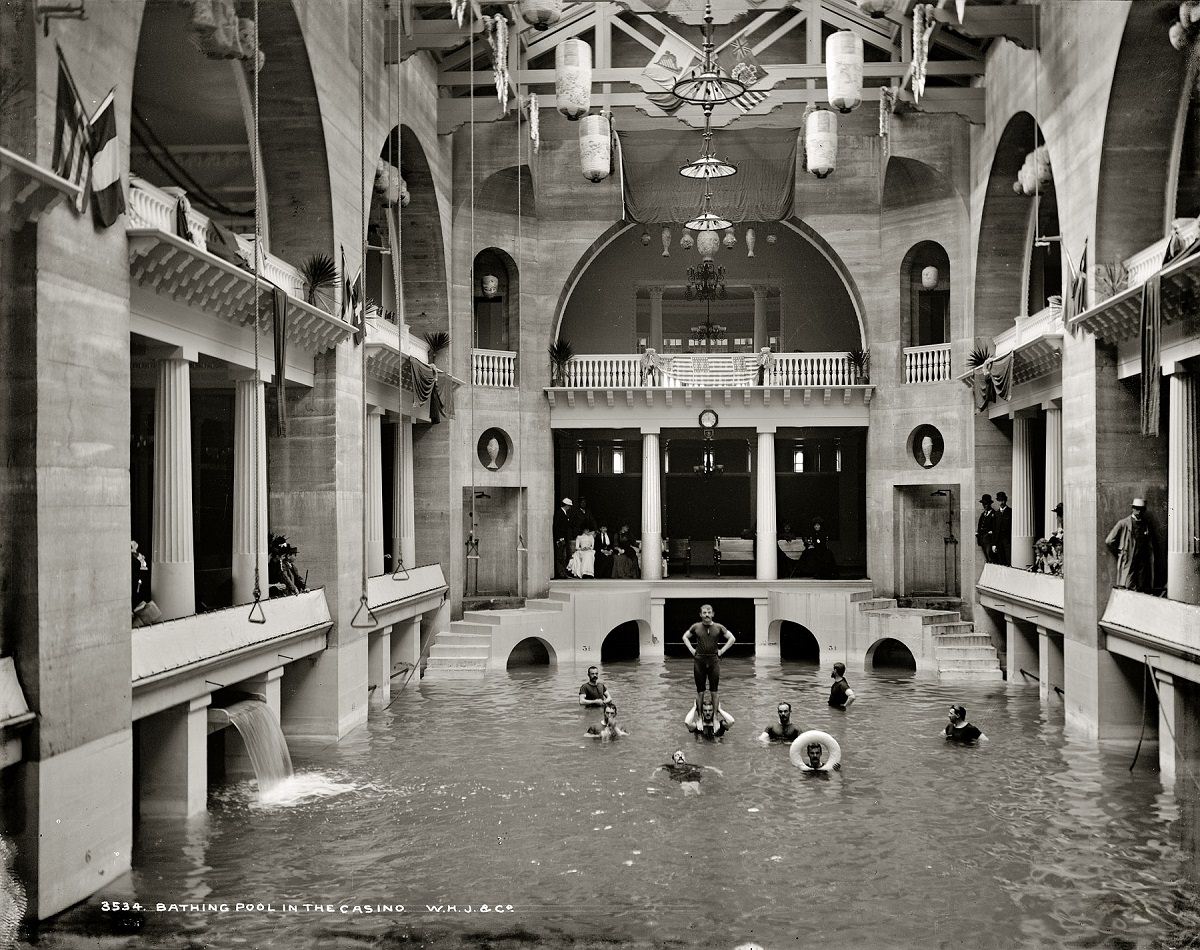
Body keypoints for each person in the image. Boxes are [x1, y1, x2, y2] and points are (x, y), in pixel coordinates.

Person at [682, 603, 736, 713]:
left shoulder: (718, 627)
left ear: (713, 614)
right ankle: (700, 717)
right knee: (700, 691)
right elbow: (685, 637)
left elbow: (732, 638)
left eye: (709, 612)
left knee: (714, 691)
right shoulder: (696, 626)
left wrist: (722, 651)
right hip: (699, 661)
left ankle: (715, 717)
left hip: (713, 661)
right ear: (700, 615)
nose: (707, 615)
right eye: (704, 613)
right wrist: (692, 650)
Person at [1105, 497, 1156, 593]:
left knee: (1141, 587)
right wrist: (1121, 551)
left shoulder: (1145, 524)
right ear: (1132, 508)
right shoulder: (1123, 523)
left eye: (1141, 509)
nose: (1138, 511)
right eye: (1136, 508)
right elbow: (1109, 540)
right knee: (1127, 586)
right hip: (1128, 559)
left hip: (1142, 561)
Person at [654, 750, 723, 796]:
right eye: (677, 755)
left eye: (681, 755)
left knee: (697, 791)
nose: (680, 756)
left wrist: (717, 770)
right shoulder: (669, 766)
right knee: (687, 790)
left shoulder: (691, 765)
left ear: (684, 758)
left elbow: (707, 767)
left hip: (693, 777)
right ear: (674, 759)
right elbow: (658, 769)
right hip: (680, 777)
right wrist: (653, 775)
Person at [553, 498, 578, 579]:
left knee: (563, 556)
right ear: (566, 505)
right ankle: (561, 573)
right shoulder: (559, 513)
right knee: (560, 556)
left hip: (564, 538)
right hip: (561, 538)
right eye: (569, 506)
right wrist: (559, 538)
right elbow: (557, 527)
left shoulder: (564, 513)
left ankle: (563, 572)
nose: (570, 507)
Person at [994, 491, 1013, 566]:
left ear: (1005, 500)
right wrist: (994, 544)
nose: (1001, 502)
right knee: (1000, 560)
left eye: (1002, 500)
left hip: (1007, 540)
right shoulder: (996, 513)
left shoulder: (1010, 512)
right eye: (999, 500)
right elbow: (995, 529)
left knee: (1008, 560)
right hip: (999, 541)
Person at [976, 494, 997, 564]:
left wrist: (991, 533)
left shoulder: (994, 514)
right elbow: (980, 525)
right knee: (987, 558)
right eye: (983, 504)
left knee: (990, 557)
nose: (984, 506)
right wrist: (978, 533)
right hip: (982, 539)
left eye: (986, 504)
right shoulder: (983, 514)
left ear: (990, 504)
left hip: (989, 540)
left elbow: (996, 529)